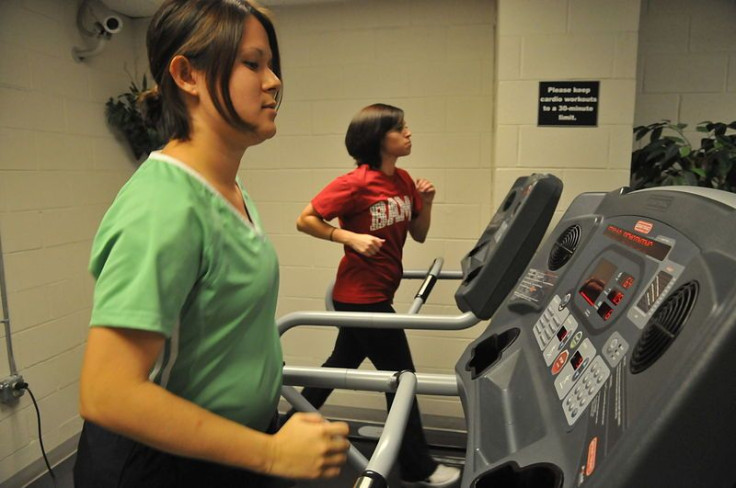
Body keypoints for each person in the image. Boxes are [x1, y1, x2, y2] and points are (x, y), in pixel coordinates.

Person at [73, 1, 349, 487]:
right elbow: (107, 392)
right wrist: (271, 455)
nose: (273, 81)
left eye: (271, 65)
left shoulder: (228, 190)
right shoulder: (164, 206)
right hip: (160, 465)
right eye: (252, 64)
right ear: (187, 75)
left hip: (219, 451)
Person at [294, 103, 461, 488]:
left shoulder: (403, 180)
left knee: (338, 364)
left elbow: (418, 233)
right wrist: (347, 236)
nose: (409, 133)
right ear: (378, 139)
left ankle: (285, 428)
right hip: (358, 296)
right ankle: (418, 466)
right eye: (399, 128)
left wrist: (428, 203)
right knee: (404, 376)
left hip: (377, 291)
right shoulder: (355, 183)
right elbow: (305, 219)